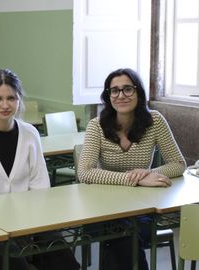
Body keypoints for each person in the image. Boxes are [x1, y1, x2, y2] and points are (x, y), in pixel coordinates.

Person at [0, 69, 79, 270]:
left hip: (30, 220)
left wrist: (26, 224)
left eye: (11, 98)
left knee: (65, 262)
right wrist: (9, 225)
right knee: (15, 264)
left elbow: (40, 185)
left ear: (19, 100)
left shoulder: (30, 134)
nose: (5, 105)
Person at [77, 68, 186, 270]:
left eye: (128, 89)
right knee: (124, 236)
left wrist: (150, 174)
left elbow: (178, 163)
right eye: (114, 91)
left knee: (124, 237)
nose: (121, 96)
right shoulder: (96, 126)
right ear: (108, 96)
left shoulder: (155, 122)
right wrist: (135, 179)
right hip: (103, 207)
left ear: (138, 93)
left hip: (141, 207)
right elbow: (84, 172)